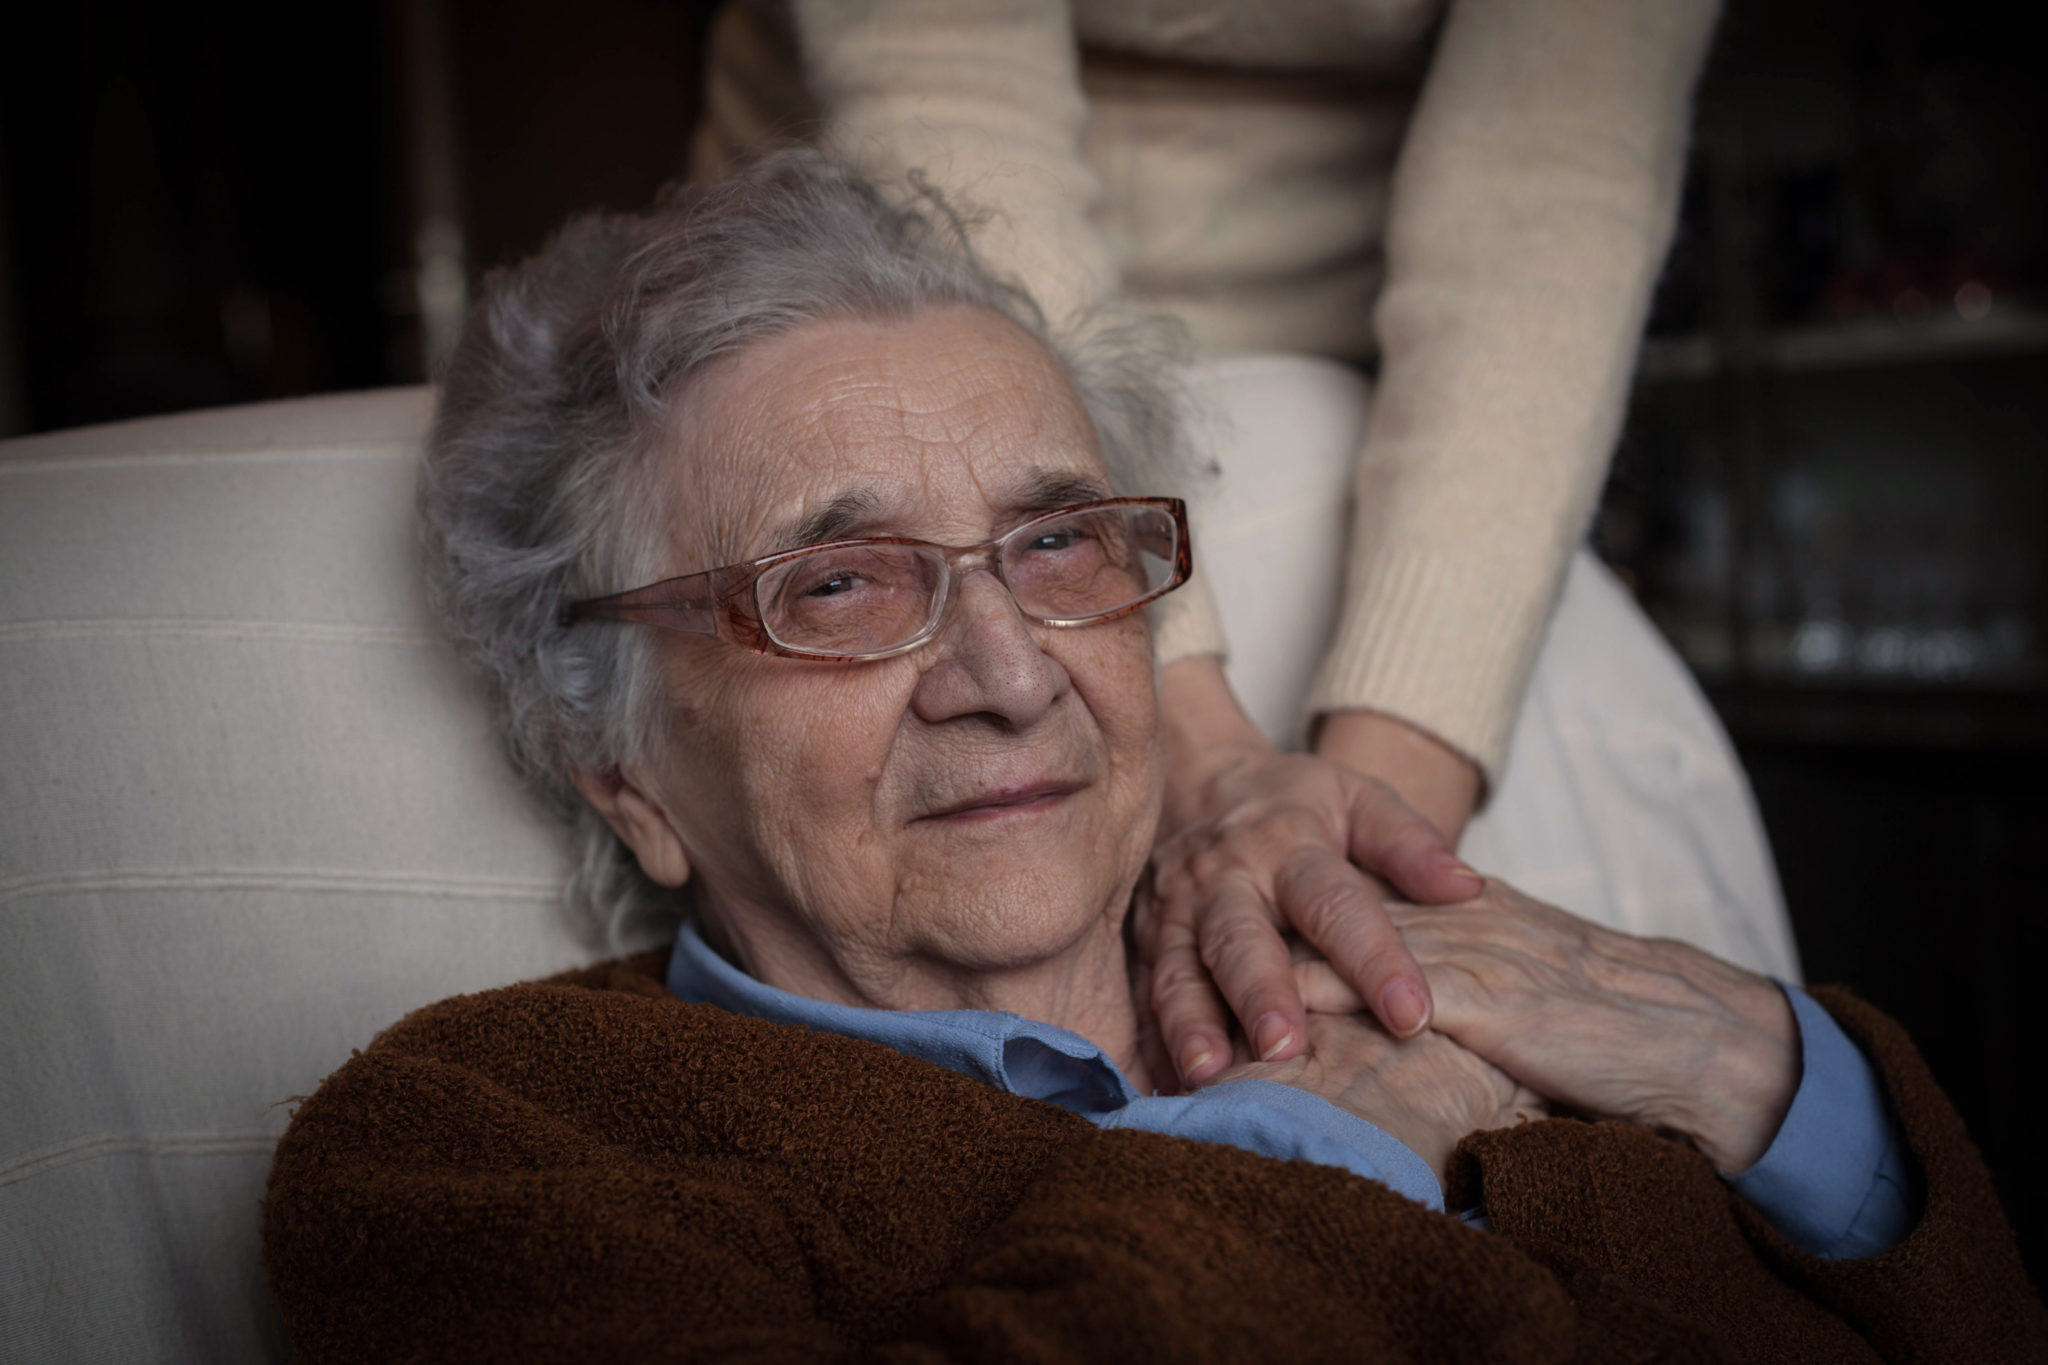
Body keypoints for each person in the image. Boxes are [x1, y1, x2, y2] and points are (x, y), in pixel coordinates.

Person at [261, 154, 2043, 1361]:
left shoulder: (1390, 952)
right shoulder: (480, 1146)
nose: (1006, 673)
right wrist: (1320, 1137)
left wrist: (1757, 1063)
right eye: (837, 581)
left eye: (1057, 548)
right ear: (617, 765)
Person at [690, 0, 1731, 1088]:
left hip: (1364, 372)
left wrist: (1338, 881)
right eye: (842, 581)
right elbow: (951, 117)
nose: (1005, 679)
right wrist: (1200, 747)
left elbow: (1551, 182)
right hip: (883, 317)